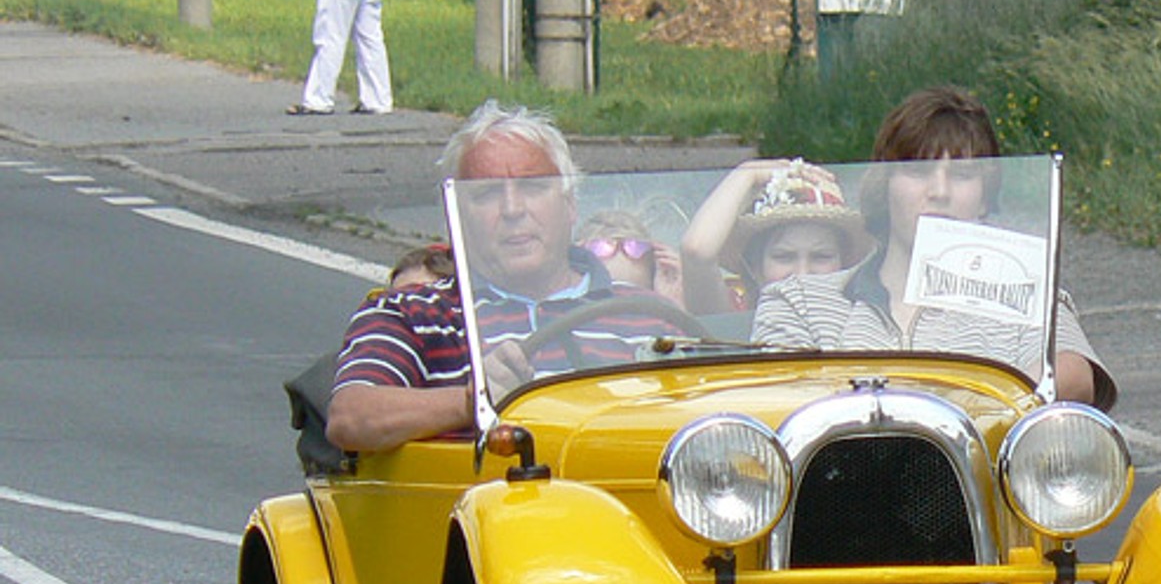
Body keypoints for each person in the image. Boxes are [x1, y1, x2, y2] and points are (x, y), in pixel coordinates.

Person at [327, 102, 674, 452]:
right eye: (488, 194)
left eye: (534, 188)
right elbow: (351, 417)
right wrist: (472, 400)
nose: (513, 210)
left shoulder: (649, 313)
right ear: (458, 218)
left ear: (569, 205)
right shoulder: (413, 314)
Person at [751, 87, 1116, 411]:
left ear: (985, 197)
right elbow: (774, 404)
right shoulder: (799, 300)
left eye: (962, 175)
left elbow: (1074, 376)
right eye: (918, 171)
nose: (939, 191)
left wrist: (972, 412)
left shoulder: (1028, 296)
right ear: (886, 185)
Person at [679, 159, 871, 316]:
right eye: (783, 256)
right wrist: (746, 174)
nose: (802, 274)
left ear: (844, 264)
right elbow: (697, 252)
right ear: (754, 266)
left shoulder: (865, 319)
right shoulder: (733, 316)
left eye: (821, 256)